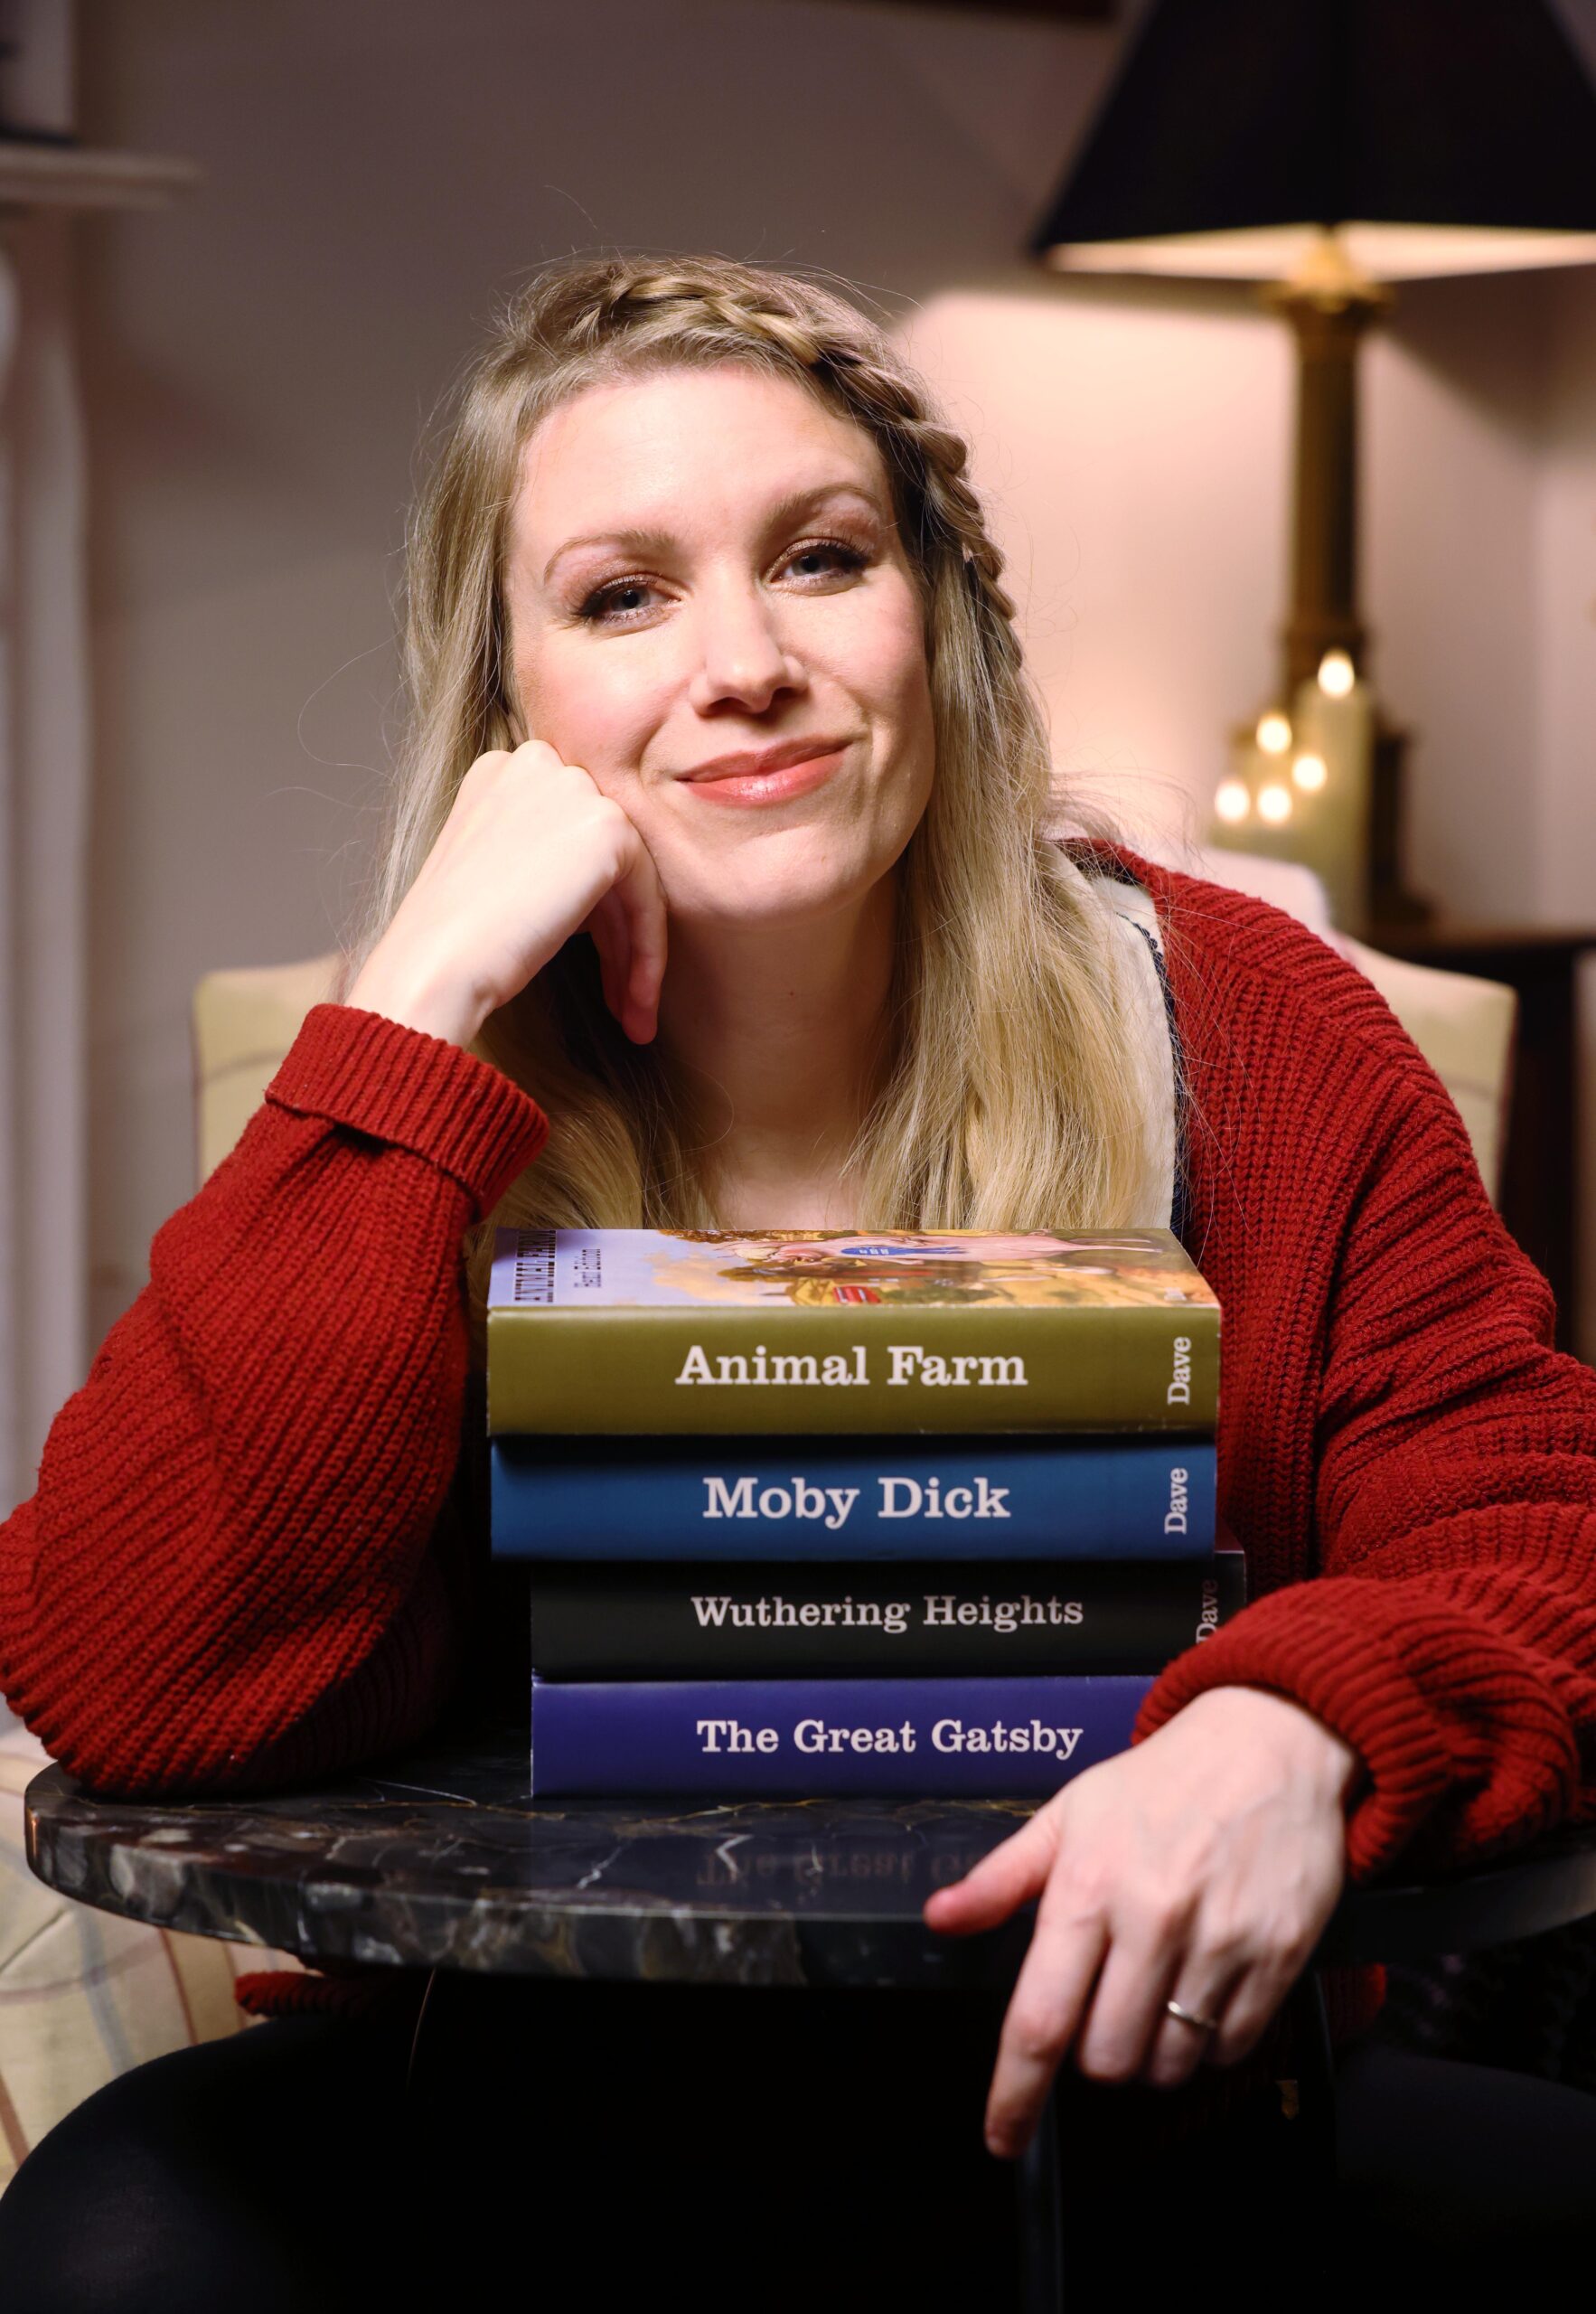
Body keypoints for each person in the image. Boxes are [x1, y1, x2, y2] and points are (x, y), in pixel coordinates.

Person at [1, 254, 1594, 2310]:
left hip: (1130, 2096)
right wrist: (413, 999)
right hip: (522, 2104)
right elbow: (126, 1679)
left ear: (937, 621)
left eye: (821, 558)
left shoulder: (1246, 1024)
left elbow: (1529, 1518)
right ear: (506, 709)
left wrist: (1295, 1726)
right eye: (621, 596)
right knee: (120, 2240)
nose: (742, 663)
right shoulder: (402, 1103)